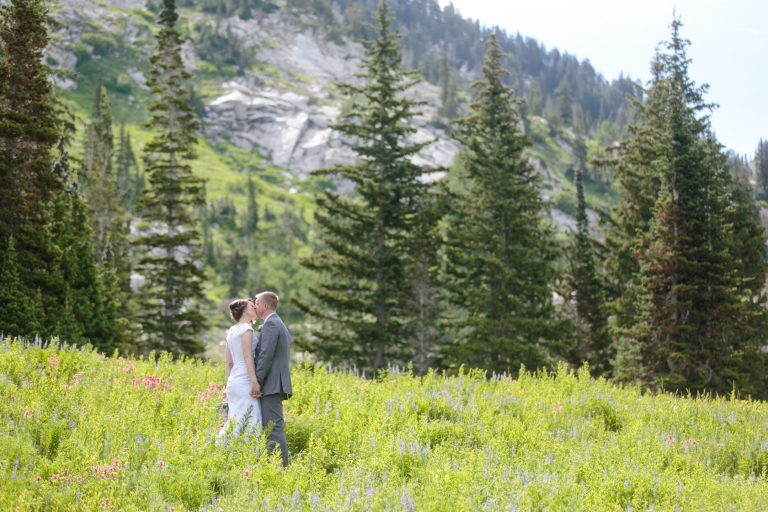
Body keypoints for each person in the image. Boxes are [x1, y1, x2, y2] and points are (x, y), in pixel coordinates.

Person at [252, 291, 292, 467]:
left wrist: (257, 382)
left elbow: (265, 356)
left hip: (271, 384)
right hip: (275, 383)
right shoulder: (277, 323)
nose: (255, 306)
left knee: (273, 429)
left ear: (265, 306)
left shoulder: (271, 324)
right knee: (273, 428)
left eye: (256, 303)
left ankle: (280, 469)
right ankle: (276, 467)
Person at [217, 299, 262, 443]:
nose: (255, 307)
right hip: (245, 380)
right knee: (250, 419)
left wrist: (228, 383)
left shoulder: (232, 330)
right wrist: (254, 382)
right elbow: (247, 356)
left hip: (233, 381)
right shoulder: (246, 329)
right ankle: (246, 451)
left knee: (235, 419)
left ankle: (224, 448)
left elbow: (229, 362)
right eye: (252, 306)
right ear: (245, 310)